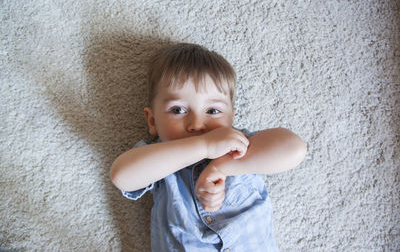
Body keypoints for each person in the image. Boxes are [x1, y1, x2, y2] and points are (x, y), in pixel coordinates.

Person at [110, 43, 307, 251]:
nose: (196, 124)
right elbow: (121, 176)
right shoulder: (158, 158)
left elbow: (294, 148)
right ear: (152, 121)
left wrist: (221, 167)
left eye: (213, 110)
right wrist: (203, 146)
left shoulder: (242, 144)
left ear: (232, 117)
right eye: (177, 109)